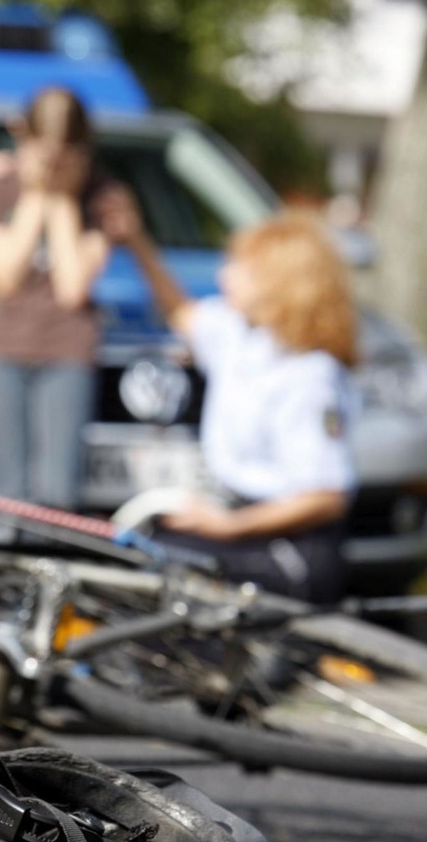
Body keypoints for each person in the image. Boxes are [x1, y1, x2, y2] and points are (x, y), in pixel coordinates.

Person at [100, 195, 359, 603]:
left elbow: (325, 497)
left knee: (155, 569)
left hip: (287, 545)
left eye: (239, 267)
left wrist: (226, 526)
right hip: (240, 523)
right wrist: (137, 243)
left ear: (278, 281)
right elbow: (181, 312)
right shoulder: (241, 336)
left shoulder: (310, 374)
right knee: (134, 549)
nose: (224, 277)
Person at [0, 86, 114, 511]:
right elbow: (5, 277)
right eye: (45, 150)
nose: (54, 161)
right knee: (7, 484)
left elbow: (73, 287)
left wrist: (61, 200)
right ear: (21, 135)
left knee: (56, 488)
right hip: (0, 347)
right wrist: (33, 194)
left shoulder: (101, 196)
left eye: (65, 152)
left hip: (66, 350)